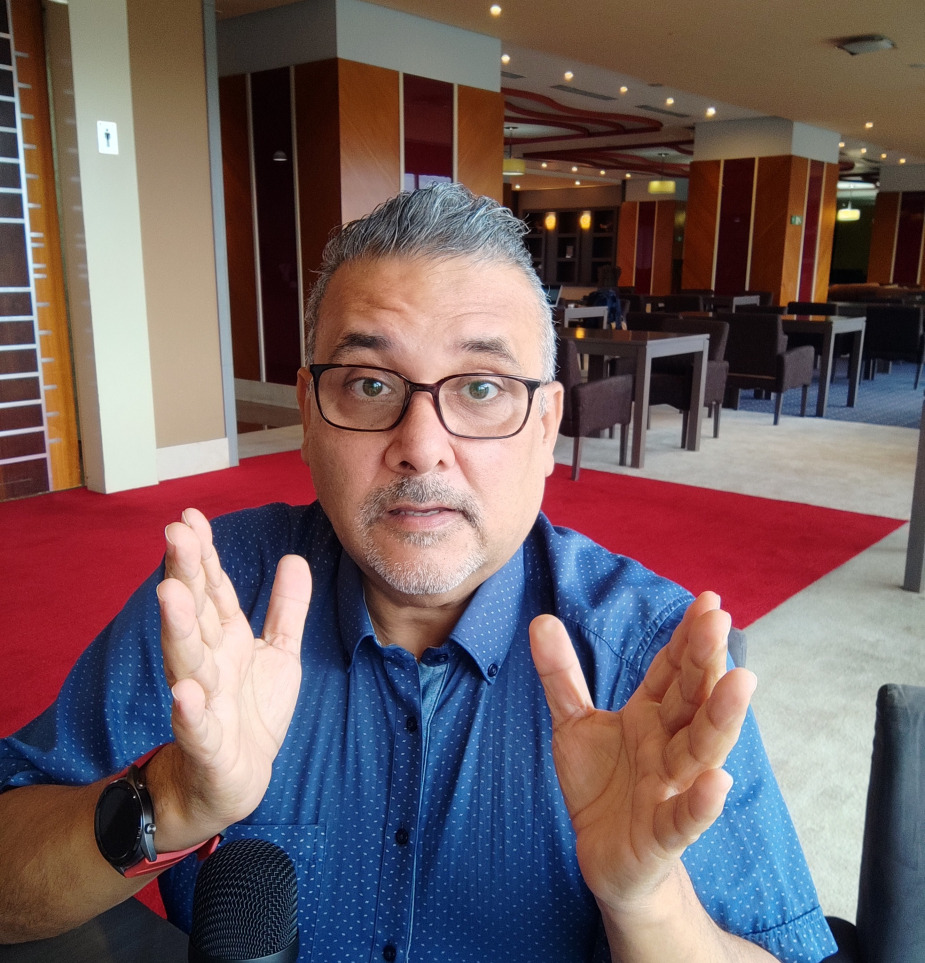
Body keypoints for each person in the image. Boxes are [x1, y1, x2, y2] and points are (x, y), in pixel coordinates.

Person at [0, 184, 836, 962]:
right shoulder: (216, 604)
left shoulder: (644, 653)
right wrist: (173, 799)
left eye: (481, 388)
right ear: (308, 414)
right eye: (370, 383)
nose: (421, 445)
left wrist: (648, 900)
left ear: (546, 425)